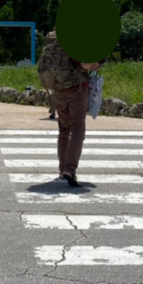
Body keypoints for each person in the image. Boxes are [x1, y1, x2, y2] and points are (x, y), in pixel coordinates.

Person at [38, 30, 99, 187]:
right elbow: (85, 65)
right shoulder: (78, 39)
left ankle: (62, 168)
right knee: (78, 129)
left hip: (58, 89)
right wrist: (94, 64)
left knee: (64, 129)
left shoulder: (54, 38)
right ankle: (69, 169)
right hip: (77, 89)